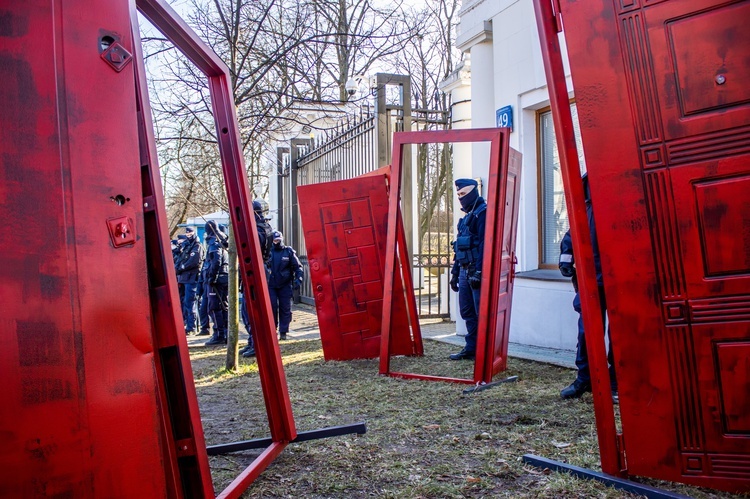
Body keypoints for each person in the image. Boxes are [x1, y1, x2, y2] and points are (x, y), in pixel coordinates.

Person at [558, 173, 618, 403]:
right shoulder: (583, 205)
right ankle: (585, 378)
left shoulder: (618, 201)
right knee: (587, 332)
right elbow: (571, 235)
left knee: (618, 335)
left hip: (617, 280)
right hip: (589, 280)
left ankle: (614, 382)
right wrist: (565, 259)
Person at [449, 178, 487, 361]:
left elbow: (485, 246)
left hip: (476, 271)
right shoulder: (465, 219)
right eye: (458, 195)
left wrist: (479, 272)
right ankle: (471, 348)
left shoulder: (482, 213)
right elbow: (459, 248)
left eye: (463, 194)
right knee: (466, 312)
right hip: (464, 271)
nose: (461, 198)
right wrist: (455, 273)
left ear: (473, 192)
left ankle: (484, 349)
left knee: (482, 312)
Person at [241, 199, 275, 358]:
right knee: (246, 310)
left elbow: (252, 247)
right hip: (256, 270)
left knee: (253, 310)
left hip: (258, 270)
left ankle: (257, 344)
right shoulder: (261, 227)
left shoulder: (261, 229)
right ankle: (252, 341)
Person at [267, 231, 303, 341]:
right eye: (274, 240)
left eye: (278, 240)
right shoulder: (267, 252)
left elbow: (298, 267)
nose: (276, 242)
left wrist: (298, 279)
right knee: (272, 307)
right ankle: (272, 331)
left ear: (282, 239)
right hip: (271, 284)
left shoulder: (288, 252)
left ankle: (283, 332)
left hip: (285, 284)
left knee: (285, 308)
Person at [204, 220, 229, 346]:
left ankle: (219, 334)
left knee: (214, 307)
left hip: (217, 279)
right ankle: (225, 333)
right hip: (223, 277)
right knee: (223, 306)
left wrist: (212, 277)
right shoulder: (222, 240)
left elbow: (216, 260)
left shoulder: (215, 242)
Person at [175, 228, 203, 334]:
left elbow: (194, 261)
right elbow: (181, 259)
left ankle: (192, 327)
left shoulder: (197, 246)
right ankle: (190, 325)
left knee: (190, 303)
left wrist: (182, 267)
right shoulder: (187, 246)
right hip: (185, 278)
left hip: (192, 278)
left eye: (190, 233)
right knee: (187, 303)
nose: (188, 235)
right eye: (187, 233)